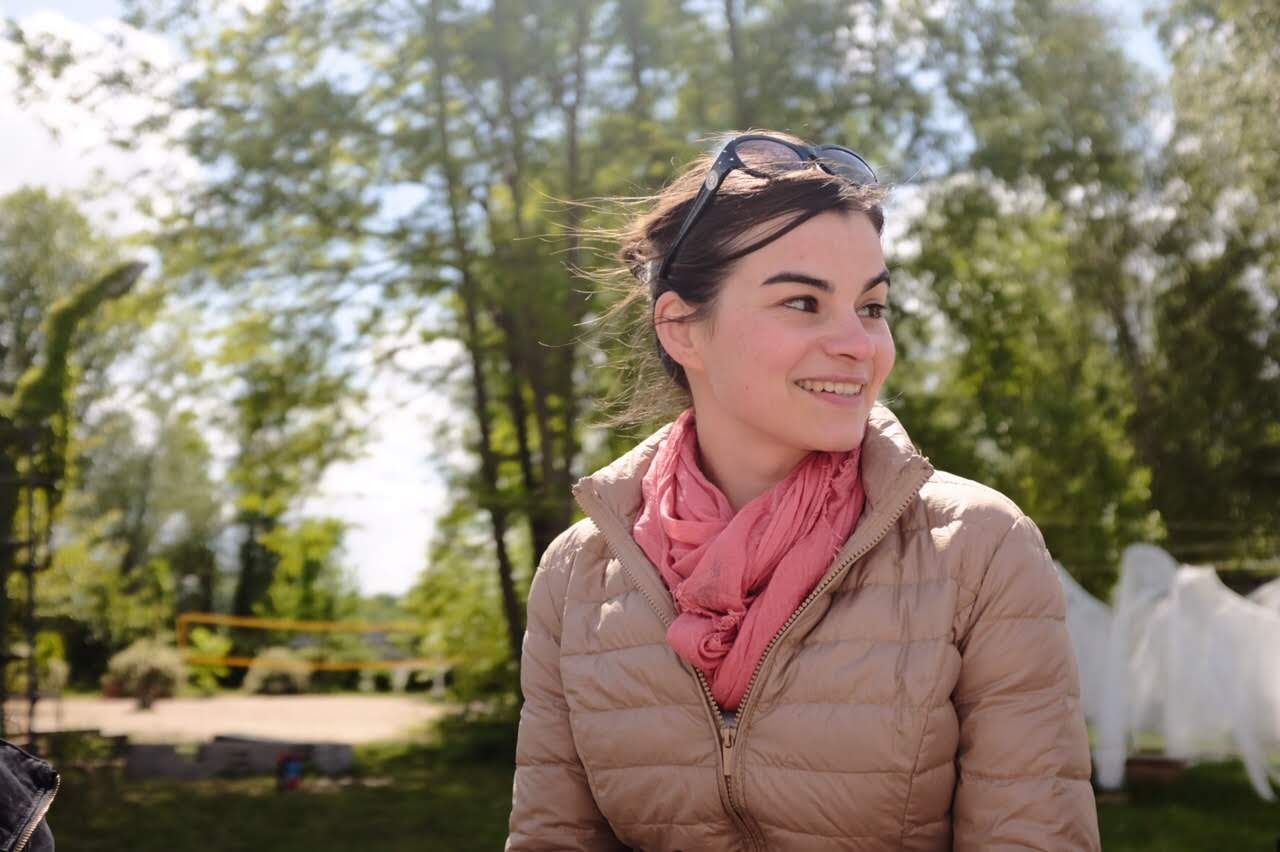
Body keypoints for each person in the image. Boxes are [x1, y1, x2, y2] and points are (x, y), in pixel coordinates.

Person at [506, 130, 1099, 851]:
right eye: (803, 303)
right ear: (683, 328)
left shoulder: (978, 549)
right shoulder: (577, 575)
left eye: (872, 308)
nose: (860, 345)